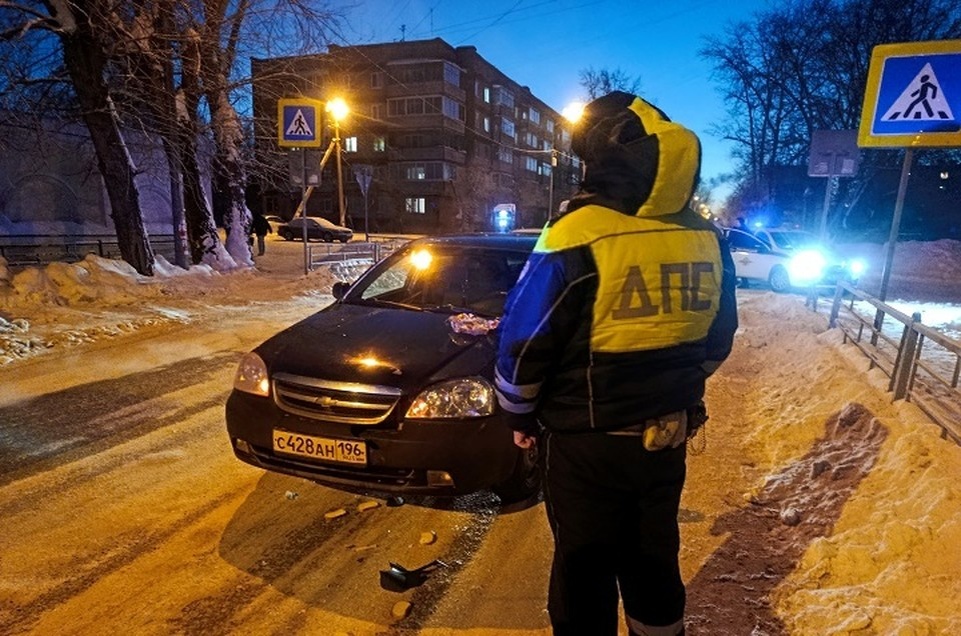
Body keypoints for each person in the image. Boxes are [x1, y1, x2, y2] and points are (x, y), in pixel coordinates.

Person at [494, 91, 738, 636]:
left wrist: (517, 412)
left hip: (586, 441)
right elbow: (719, 339)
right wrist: (670, 388)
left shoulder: (580, 232)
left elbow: (526, 342)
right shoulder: (705, 238)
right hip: (665, 435)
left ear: (606, 158)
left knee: (584, 566)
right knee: (653, 553)